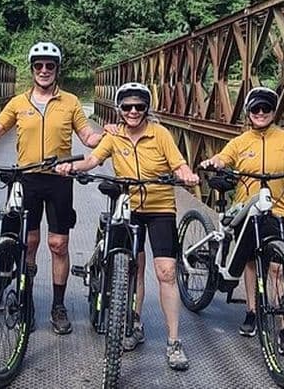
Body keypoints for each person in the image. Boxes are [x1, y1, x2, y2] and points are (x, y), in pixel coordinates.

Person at [0, 42, 105, 335]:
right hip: (28, 179)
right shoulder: (18, 103)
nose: (44, 70)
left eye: (50, 65)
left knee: (58, 244)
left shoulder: (70, 102)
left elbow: (87, 137)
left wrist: (111, 132)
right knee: (30, 242)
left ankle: (58, 306)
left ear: (57, 69)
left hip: (60, 178)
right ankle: (26, 300)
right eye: (39, 65)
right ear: (32, 69)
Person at [55, 82, 199, 371]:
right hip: (127, 205)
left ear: (146, 109)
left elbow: (178, 164)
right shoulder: (116, 136)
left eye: (139, 106)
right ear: (119, 110)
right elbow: (92, 159)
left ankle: (173, 341)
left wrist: (186, 174)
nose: (133, 111)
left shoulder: (160, 134)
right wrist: (71, 167)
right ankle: (133, 322)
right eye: (127, 107)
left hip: (159, 207)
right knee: (131, 266)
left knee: (166, 271)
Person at [199, 86, 284, 354]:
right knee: (252, 262)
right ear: (248, 112)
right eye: (255, 108)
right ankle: (252, 311)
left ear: (273, 112)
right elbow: (224, 157)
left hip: (278, 209)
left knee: (278, 268)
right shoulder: (241, 141)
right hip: (247, 208)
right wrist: (214, 162)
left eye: (266, 108)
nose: (261, 113)